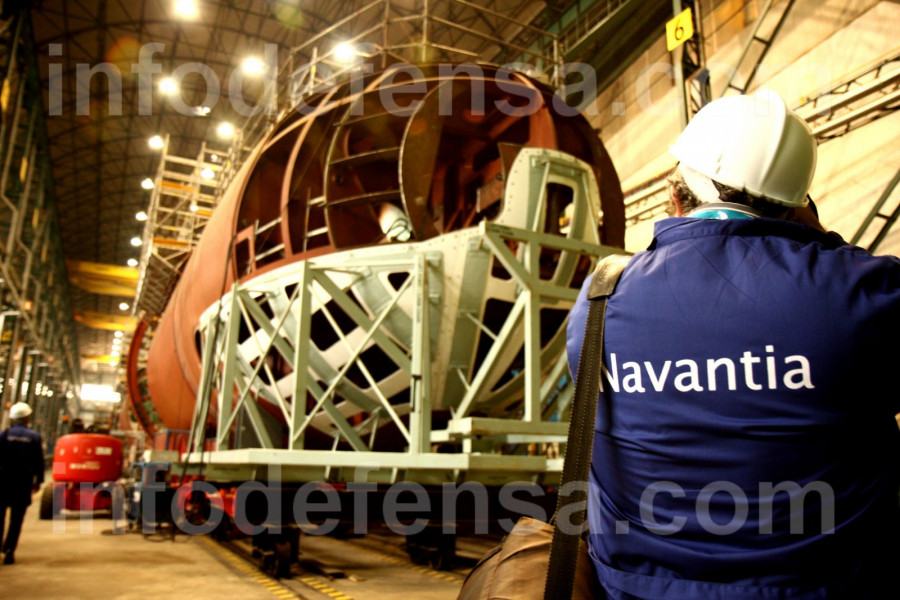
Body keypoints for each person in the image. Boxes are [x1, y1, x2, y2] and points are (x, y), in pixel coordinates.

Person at [566, 89, 900, 599]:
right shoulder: (868, 293)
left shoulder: (600, 300)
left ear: (675, 200)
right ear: (798, 209)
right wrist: (824, 247)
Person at [0, 402, 45, 565]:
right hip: (22, 484)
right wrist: (38, 481)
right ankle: (10, 550)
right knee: (16, 520)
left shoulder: (4, 435)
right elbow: (39, 461)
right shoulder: (34, 437)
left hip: (3, 483)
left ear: (12, 418)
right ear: (27, 418)